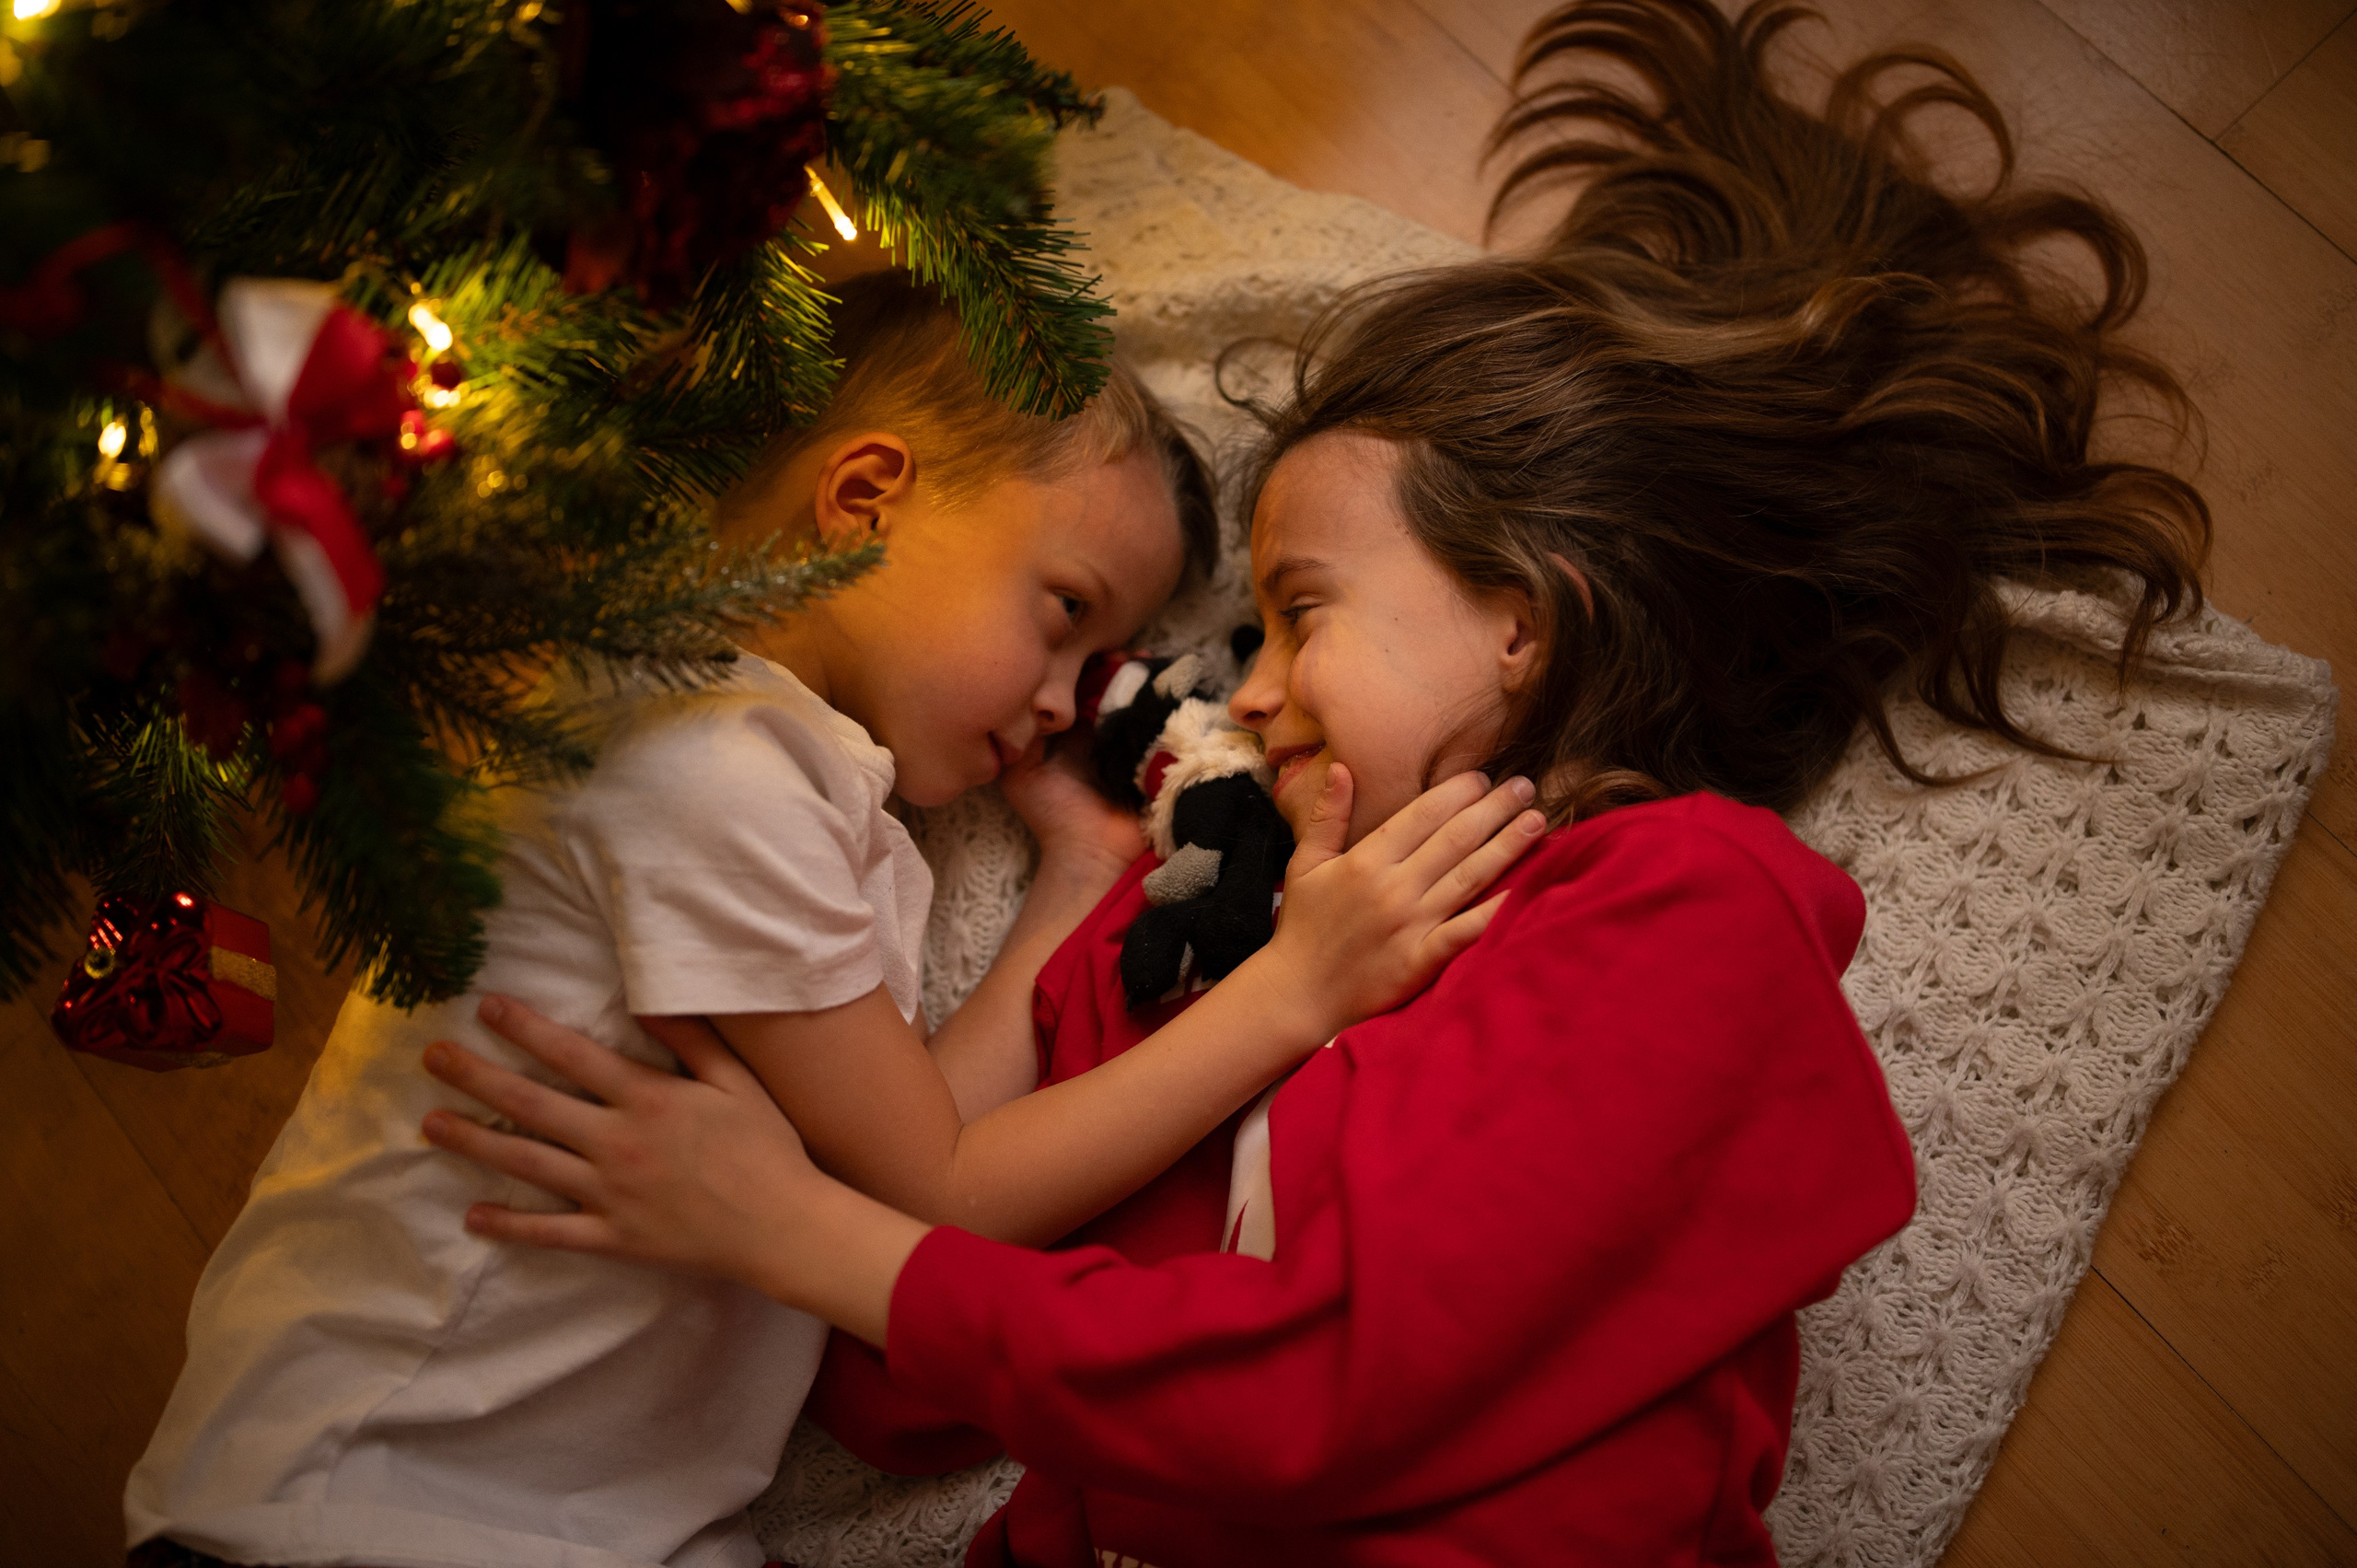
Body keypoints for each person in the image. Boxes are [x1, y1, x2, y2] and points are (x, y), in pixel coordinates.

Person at [418, 1, 2213, 1562]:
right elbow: (904, 1389)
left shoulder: (1685, 908)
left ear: (1520, 618)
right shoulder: (1225, 931)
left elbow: (1300, 1398)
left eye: (1297, 613)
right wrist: (1118, 930)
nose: (1250, 690)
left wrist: (805, 1232)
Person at [124, 271, 1547, 1568]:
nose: (1062, 699)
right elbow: (945, 1195)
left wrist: (1069, 881)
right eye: (1059, 612)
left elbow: (903, 1149)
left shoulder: (795, 786)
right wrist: (1298, 987)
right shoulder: (685, 755)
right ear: (864, 498)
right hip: (364, 1506)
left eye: (1093, 656)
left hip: (592, 1520)